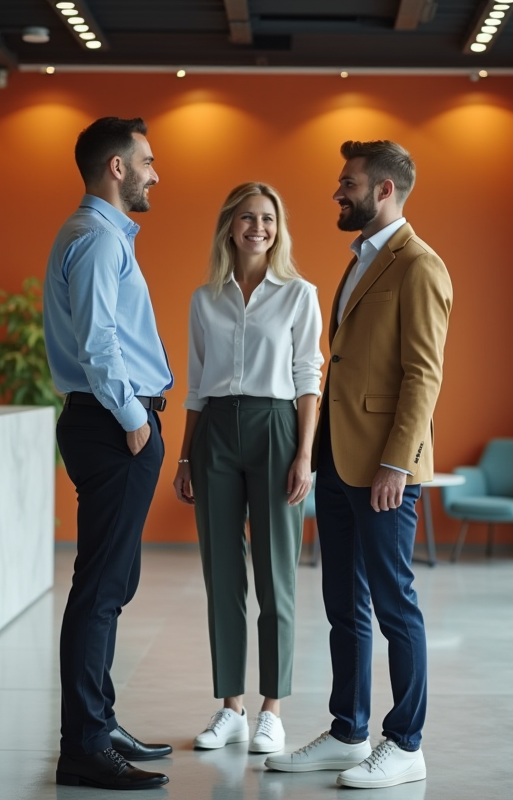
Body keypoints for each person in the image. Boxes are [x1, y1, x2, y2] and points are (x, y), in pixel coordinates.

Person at [265, 140, 452, 789]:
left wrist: (397, 463)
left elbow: (423, 375)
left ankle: (406, 743)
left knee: (394, 604)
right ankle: (349, 732)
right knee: (344, 604)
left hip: (384, 471)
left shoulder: (419, 265)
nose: (337, 192)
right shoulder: (361, 261)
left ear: (384, 190)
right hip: (341, 463)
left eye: (348, 183)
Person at [44, 116, 173, 791]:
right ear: (117, 167)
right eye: (147, 161)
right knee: (100, 590)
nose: (156, 173)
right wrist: (134, 420)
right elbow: (99, 342)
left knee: (111, 585)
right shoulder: (97, 238)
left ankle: (100, 722)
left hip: (105, 423)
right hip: (113, 425)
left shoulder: (95, 233)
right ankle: (85, 746)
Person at [172, 182, 324, 756]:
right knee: (222, 574)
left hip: (276, 429)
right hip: (214, 431)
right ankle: (231, 708)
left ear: (278, 229)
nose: (258, 227)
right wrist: (185, 455)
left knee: (276, 575)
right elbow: (195, 384)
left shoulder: (299, 294)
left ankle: (272, 711)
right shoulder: (204, 298)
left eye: (268, 218)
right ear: (229, 227)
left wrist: (304, 455)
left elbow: (308, 379)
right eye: (247, 217)